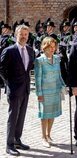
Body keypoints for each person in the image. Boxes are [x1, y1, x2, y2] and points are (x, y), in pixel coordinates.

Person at [0, 25, 34, 156]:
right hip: (14, 89)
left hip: (25, 88)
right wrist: (9, 83)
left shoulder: (30, 50)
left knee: (21, 116)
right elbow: (1, 69)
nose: (24, 36)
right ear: (16, 35)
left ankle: (17, 140)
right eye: (21, 34)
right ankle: (9, 145)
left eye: (26, 34)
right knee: (13, 116)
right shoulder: (9, 50)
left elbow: (29, 69)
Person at [34, 37, 65, 148]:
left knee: (52, 113)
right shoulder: (39, 60)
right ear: (44, 47)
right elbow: (37, 79)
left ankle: (48, 134)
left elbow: (59, 74)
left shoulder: (57, 59)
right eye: (50, 47)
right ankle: (43, 137)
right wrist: (39, 94)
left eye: (53, 47)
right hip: (45, 92)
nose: (52, 49)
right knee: (44, 115)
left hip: (55, 90)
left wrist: (63, 85)